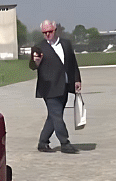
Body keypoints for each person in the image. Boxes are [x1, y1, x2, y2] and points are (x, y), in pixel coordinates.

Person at [30, 20, 82, 154]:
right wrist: (35, 62)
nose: (47, 34)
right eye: (45, 32)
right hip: (48, 88)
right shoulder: (39, 47)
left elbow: (73, 63)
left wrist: (77, 80)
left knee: (53, 116)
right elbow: (32, 66)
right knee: (57, 115)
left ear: (55, 30)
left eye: (50, 31)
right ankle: (65, 143)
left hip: (64, 86)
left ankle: (43, 142)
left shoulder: (66, 44)